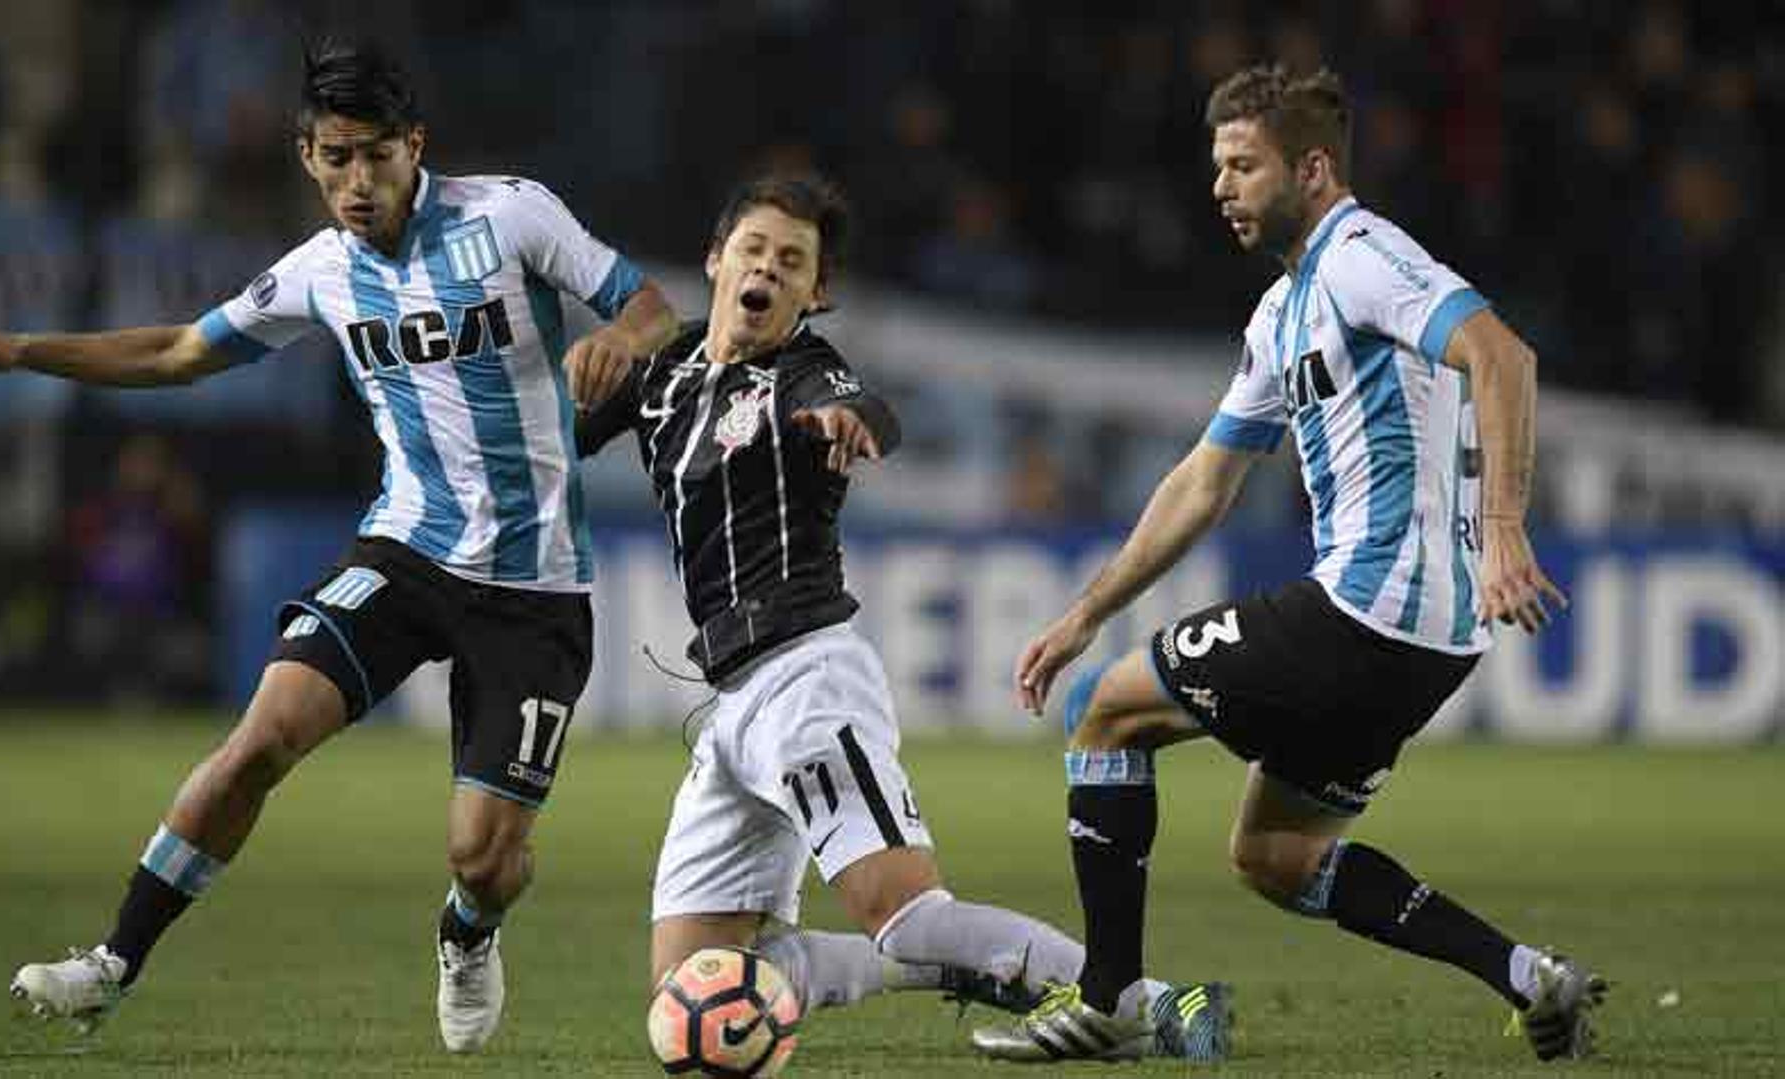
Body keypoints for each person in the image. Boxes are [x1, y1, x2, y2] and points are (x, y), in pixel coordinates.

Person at [0, 41, 678, 1053]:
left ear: (416, 145)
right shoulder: (318, 273)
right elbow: (181, 351)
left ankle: (468, 929)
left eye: (377, 154)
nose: (358, 182)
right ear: (307, 157)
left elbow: (649, 306)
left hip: (533, 583)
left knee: (484, 856)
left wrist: (620, 344)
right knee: (259, 737)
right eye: (337, 158)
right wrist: (22, 351)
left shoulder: (511, 216)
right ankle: (111, 963)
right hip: (405, 550)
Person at [972, 64, 1605, 1064]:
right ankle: (1530, 976)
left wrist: (1507, 526)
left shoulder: (1361, 253)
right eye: (1215, 166)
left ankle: (1112, 997)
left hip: (1366, 605)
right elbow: (1204, 481)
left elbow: (1502, 355)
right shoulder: (1281, 313)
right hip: (1431, 641)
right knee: (1275, 854)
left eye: (1242, 164)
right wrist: (1087, 607)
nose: (1220, 186)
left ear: (1312, 168)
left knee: (1104, 709)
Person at [573, 174, 1220, 1046]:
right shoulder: (662, 375)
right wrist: (587, 356)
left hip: (807, 679)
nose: (769, 268)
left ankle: (1146, 1003)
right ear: (716, 261)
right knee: (689, 986)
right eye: (755, 250)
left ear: (816, 292)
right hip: (730, 707)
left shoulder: (801, 369)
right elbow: (540, 441)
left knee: (909, 912)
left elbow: (855, 402)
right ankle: (879, 969)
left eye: (793, 261)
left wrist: (845, 420)